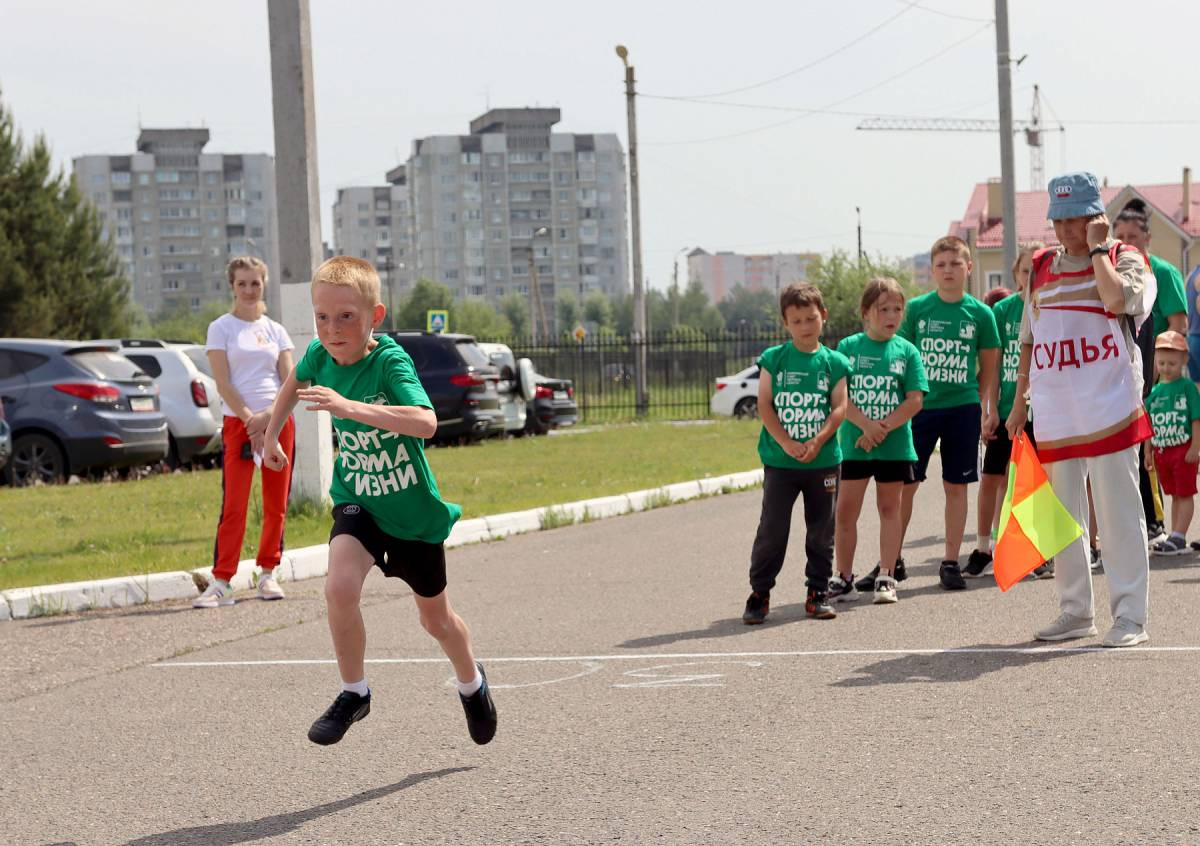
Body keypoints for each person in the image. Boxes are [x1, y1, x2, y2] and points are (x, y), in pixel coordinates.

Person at [261, 256, 497, 746]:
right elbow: (293, 382)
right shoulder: (319, 356)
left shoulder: (389, 361)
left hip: (411, 515)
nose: (332, 329)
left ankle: (471, 683)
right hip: (358, 501)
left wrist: (351, 409)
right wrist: (271, 436)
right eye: (322, 317)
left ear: (375, 315)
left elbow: (425, 421)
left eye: (346, 316)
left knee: (436, 621)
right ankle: (354, 692)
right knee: (339, 588)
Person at [1006, 171, 1156, 648]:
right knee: (1062, 517)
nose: (1065, 230)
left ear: (1097, 218)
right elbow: (1030, 337)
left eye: (1075, 219)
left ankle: (1130, 615)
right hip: (1055, 411)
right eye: (1059, 220)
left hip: (1109, 406)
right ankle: (1075, 611)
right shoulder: (1040, 266)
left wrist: (1096, 250)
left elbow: (1117, 301)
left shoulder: (1124, 259)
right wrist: (1017, 403)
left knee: (1118, 515)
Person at [873, 236, 1000, 592]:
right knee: (905, 487)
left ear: (968, 268)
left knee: (955, 487)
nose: (948, 271)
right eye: (941, 265)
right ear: (932, 270)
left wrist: (979, 400)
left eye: (955, 264)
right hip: (921, 410)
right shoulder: (916, 309)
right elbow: (902, 359)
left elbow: (989, 365)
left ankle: (949, 561)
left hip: (961, 409)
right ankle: (891, 561)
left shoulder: (981, 313)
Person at [742, 283, 849, 624]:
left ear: (823, 317)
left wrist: (817, 441)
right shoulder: (774, 359)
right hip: (780, 461)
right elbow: (764, 403)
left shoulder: (835, 362)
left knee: (821, 530)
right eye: (797, 320)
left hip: (824, 460)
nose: (805, 325)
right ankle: (760, 593)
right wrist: (787, 442)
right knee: (773, 528)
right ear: (786, 323)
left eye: (811, 318)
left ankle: (817, 592)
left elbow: (839, 408)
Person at [195, 257, 296, 609]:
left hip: (277, 421)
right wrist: (251, 419)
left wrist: (269, 416)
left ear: (264, 284)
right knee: (234, 504)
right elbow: (223, 383)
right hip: (239, 423)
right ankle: (222, 581)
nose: (250, 290)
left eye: (255, 283)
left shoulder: (276, 330)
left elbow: (291, 382)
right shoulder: (221, 328)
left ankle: (268, 573)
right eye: (242, 284)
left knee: (276, 503)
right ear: (232, 287)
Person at [828, 278, 926, 604]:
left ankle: (886, 575)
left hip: (894, 446)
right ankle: (843, 577)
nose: (892, 315)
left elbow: (914, 400)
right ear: (866, 312)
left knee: (889, 508)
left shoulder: (907, 351)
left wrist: (880, 429)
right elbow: (839, 397)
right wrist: (865, 427)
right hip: (855, 446)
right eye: (884, 309)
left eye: (898, 309)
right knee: (845, 513)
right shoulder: (847, 348)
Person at [969, 246, 1054, 580]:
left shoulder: (1052, 306)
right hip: (1006, 411)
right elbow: (995, 364)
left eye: (1036, 272)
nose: (1029, 279)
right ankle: (983, 547)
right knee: (992, 478)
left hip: (1043, 411)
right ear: (1015, 273)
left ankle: (1037, 550)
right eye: (1024, 272)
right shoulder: (1003, 310)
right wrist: (989, 410)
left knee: (1036, 481)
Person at [1114, 198, 1183, 545]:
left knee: (1148, 448)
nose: (1126, 241)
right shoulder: (1108, 271)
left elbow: (1177, 324)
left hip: (1153, 373)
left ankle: (1154, 519)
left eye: (1133, 236)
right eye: (1120, 234)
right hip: (1115, 374)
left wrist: (1161, 372)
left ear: (1147, 239)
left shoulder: (1162, 272)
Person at [1145, 330, 1200, 555]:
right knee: (1174, 494)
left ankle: (1179, 535)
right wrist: (1148, 452)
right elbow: (1148, 426)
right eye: (1162, 362)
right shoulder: (1155, 392)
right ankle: (1176, 535)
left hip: (1183, 449)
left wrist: (1196, 446)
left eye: (1172, 363)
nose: (1167, 367)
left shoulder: (1187, 388)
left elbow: (1196, 418)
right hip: (1162, 451)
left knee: (1185, 492)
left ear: (1184, 360)